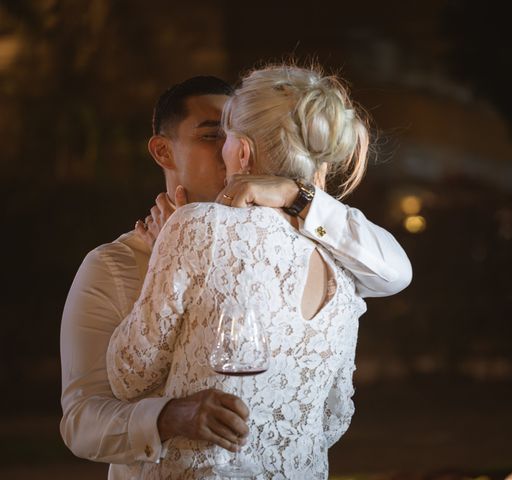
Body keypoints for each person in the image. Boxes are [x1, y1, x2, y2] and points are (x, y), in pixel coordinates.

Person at [59, 74, 411, 479]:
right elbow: (81, 422)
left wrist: (297, 198)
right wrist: (166, 416)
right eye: (212, 135)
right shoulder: (113, 266)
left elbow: (396, 271)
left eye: (233, 133)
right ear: (162, 151)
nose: (226, 149)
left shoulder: (320, 239)